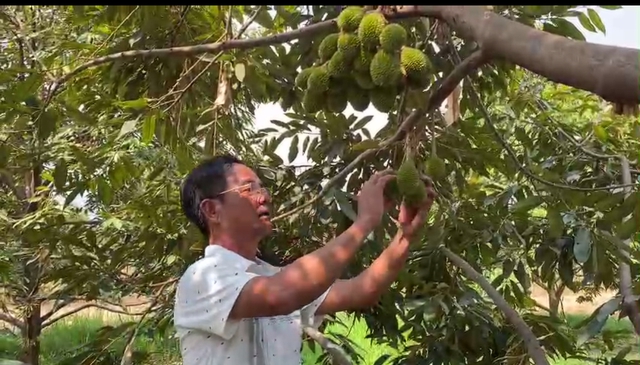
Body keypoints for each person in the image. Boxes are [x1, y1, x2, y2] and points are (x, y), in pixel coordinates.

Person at [174, 154, 436, 365]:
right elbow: (280, 295)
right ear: (212, 210)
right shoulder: (201, 279)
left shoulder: (271, 276)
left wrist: (405, 235)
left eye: (262, 187)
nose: (264, 196)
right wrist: (364, 222)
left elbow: (362, 291)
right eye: (249, 188)